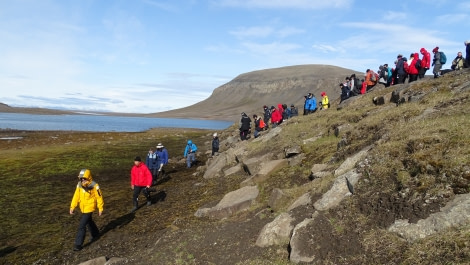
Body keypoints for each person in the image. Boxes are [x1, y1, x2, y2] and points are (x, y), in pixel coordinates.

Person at [69, 169, 104, 251]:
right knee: (89, 221)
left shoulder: (95, 186)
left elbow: (99, 197)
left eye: (84, 178)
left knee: (82, 225)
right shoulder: (79, 185)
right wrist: (72, 207)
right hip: (83, 207)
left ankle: (78, 244)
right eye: (81, 179)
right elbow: (76, 196)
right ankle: (95, 234)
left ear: (88, 177)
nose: (82, 180)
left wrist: (100, 208)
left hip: (90, 208)